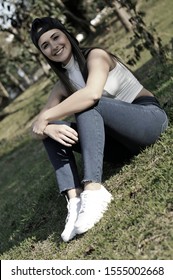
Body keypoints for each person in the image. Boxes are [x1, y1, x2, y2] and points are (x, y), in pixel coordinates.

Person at [30, 17, 168, 242]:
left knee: (87, 103)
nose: (53, 46)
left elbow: (93, 94)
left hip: (149, 122)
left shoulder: (96, 56)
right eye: (45, 45)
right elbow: (35, 129)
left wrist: (45, 117)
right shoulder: (62, 84)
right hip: (119, 147)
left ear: (67, 34)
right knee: (52, 128)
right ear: (43, 54)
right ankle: (75, 202)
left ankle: (94, 191)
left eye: (55, 37)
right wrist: (47, 127)